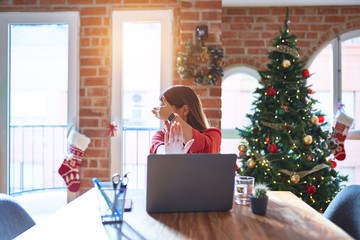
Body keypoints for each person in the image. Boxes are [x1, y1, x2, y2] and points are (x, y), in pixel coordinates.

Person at [150, 85, 221, 154]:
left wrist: (171, 116)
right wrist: (168, 153)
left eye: (166, 112)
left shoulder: (213, 134)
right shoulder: (161, 136)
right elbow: (159, 152)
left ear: (185, 110)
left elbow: (204, 149)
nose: (164, 120)